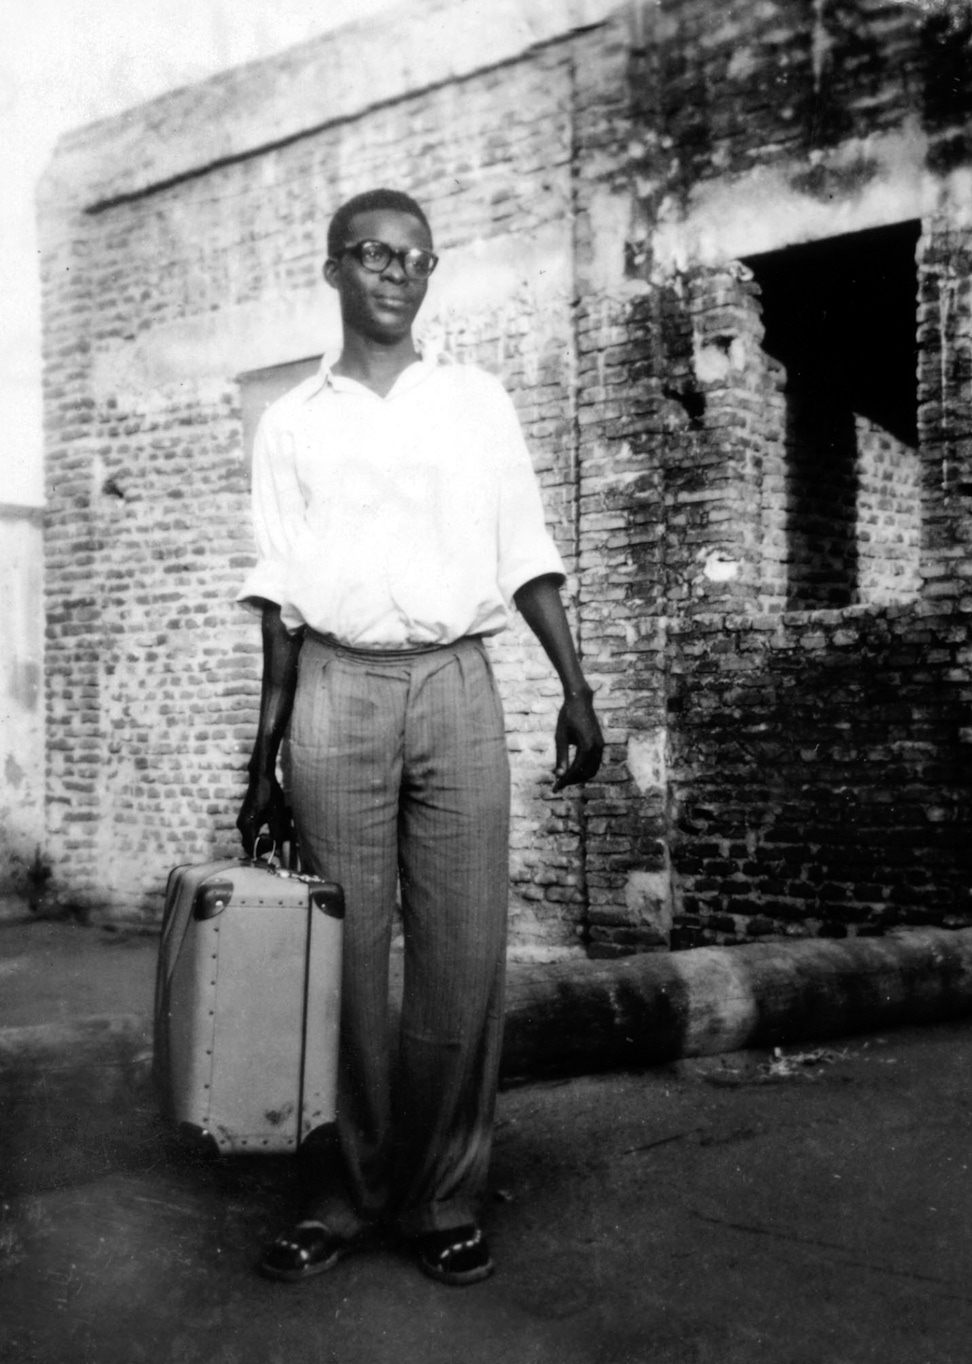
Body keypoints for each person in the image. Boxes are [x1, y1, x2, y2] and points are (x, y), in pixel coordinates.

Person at [236, 188, 603, 1287]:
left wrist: (577, 689)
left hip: (457, 684)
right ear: (335, 269)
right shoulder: (292, 421)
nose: (396, 273)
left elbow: (525, 549)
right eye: (373, 254)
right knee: (342, 961)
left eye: (416, 258)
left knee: (461, 955)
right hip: (337, 693)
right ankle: (346, 1192)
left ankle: (442, 1190)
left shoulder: (476, 402)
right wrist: (263, 759)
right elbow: (280, 599)